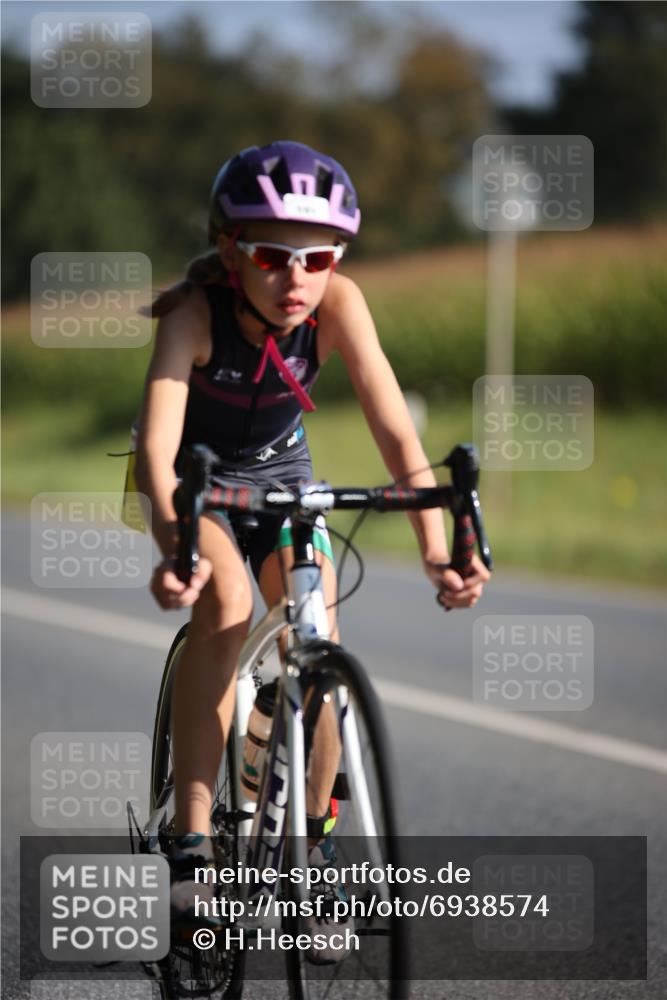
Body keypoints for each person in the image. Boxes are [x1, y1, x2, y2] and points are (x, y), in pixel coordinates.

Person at [133, 140, 490, 956]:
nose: (297, 279)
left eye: (317, 258)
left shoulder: (339, 305)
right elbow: (157, 453)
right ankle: (192, 841)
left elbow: (396, 428)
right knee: (224, 604)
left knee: (317, 631)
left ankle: (314, 845)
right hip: (195, 481)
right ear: (231, 251)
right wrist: (175, 548)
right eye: (271, 256)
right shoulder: (193, 315)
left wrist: (437, 548)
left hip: (284, 475)